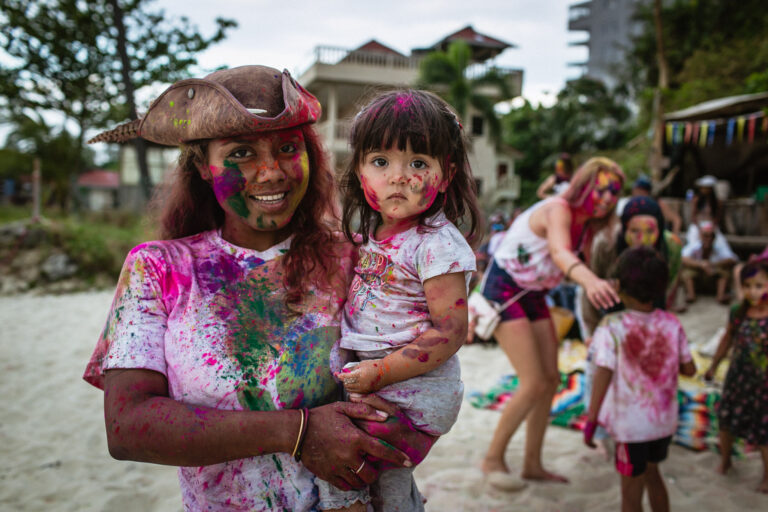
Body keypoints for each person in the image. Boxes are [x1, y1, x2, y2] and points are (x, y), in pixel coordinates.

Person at [82, 65, 428, 511]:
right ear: (204, 167)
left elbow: (421, 388)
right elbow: (128, 427)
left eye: (287, 148)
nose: (270, 173)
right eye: (242, 152)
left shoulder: (361, 262)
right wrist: (298, 432)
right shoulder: (158, 269)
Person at [326, 89, 480, 511]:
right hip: (386, 382)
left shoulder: (435, 244)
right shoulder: (373, 236)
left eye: (417, 163)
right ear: (360, 172)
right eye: (380, 162)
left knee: (342, 480)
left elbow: (451, 330)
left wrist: (379, 372)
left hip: (413, 388)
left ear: (444, 175)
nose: (398, 176)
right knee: (383, 489)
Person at [480, 156, 624, 487]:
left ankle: (532, 464)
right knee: (531, 382)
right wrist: (590, 282)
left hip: (533, 293)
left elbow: (572, 261)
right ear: (583, 186)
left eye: (614, 192)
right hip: (504, 288)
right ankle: (492, 459)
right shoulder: (559, 209)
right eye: (601, 189)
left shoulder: (588, 225)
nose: (607, 198)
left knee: (550, 378)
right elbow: (560, 253)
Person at [584, 247, 696, 512]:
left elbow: (603, 373)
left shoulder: (612, 326)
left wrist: (591, 420)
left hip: (630, 428)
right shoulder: (672, 323)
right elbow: (689, 369)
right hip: (663, 424)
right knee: (653, 475)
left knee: (630, 492)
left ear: (619, 285)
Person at [704, 259, 768, 493]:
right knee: (726, 420)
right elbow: (727, 339)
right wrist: (713, 366)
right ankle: (726, 460)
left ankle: (767, 477)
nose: (753, 291)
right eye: (748, 286)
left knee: (764, 431)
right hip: (738, 377)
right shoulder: (738, 312)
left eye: (760, 285)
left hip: (764, 384)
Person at [681, 220, 738, 304]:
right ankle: (691, 295)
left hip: (712, 278)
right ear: (700, 236)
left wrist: (713, 265)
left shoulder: (720, 246)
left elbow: (733, 259)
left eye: (710, 236)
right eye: (705, 236)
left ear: (714, 237)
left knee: (724, 271)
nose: (708, 239)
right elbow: (683, 258)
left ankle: (720, 296)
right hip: (700, 279)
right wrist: (701, 264)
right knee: (687, 270)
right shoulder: (694, 246)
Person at [616, 176, 682, 237]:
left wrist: (673, 239)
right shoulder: (628, 203)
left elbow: (676, 220)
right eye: (635, 189)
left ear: (646, 192)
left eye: (638, 190)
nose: (635, 192)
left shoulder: (656, 204)